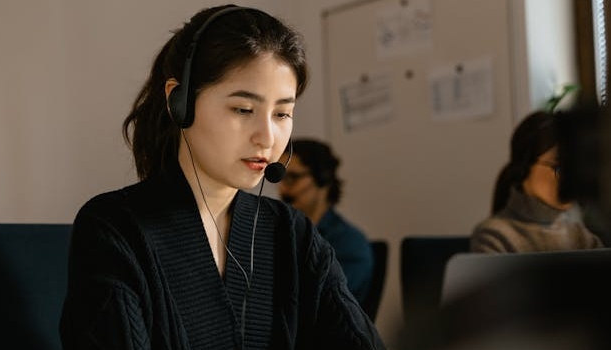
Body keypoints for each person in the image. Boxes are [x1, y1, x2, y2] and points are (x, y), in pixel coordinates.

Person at [59, 5, 385, 350]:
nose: (267, 136)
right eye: (243, 109)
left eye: (282, 113)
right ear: (179, 102)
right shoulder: (114, 230)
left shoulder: (292, 233)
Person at [470, 110, 604, 253]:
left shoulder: (583, 237)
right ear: (524, 167)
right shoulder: (494, 236)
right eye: (558, 167)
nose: (570, 179)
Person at [276, 138, 374, 301]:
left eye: (292, 178)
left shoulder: (349, 243)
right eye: (281, 178)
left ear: (322, 178)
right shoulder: (282, 232)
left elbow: (320, 301)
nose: (283, 188)